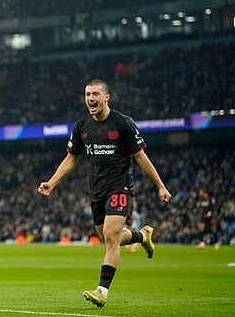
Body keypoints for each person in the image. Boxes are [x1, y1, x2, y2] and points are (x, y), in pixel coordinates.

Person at [38, 79, 171, 308]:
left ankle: (102, 291)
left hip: (120, 187)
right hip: (96, 191)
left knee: (111, 237)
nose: (91, 98)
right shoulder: (81, 127)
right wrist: (52, 182)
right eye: (88, 94)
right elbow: (72, 158)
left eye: (96, 94)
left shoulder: (123, 123)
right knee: (109, 238)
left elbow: (140, 156)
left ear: (106, 97)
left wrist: (160, 185)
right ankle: (142, 236)